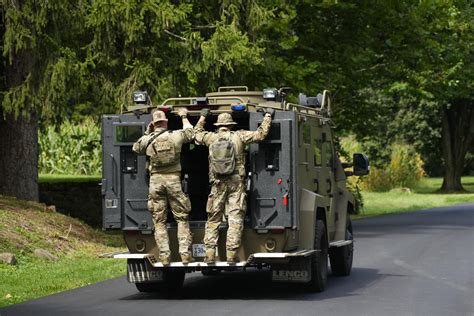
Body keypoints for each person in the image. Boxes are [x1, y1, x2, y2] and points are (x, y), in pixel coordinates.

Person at [194, 108, 274, 263]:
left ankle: (209, 255)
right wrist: (267, 116)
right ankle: (231, 256)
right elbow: (261, 134)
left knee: (213, 219)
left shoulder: (211, 137)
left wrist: (203, 116)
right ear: (231, 125)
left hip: (217, 184)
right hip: (236, 183)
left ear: (218, 126)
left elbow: (195, 133)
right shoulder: (239, 136)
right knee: (235, 219)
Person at [132, 108, 194, 265]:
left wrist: (148, 132)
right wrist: (184, 117)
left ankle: (165, 256)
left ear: (153, 124)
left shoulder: (148, 139)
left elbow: (136, 148)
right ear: (166, 122)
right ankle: (185, 255)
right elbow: (190, 134)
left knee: (159, 221)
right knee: (181, 218)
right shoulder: (175, 136)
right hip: (173, 180)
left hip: (156, 182)